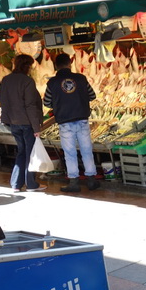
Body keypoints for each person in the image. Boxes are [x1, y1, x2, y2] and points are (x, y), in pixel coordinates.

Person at [44, 53, 100, 193]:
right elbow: (92, 96)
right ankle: (91, 180)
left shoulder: (52, 83)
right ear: (69, 64)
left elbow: (46, 102)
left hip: (65, 122)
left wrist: (60, 102)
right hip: (82, 120)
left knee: (69, 152)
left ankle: (74, 182)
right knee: (86, 150)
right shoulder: (81, 78)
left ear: (56, 66)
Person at [0, 54, 46, 192]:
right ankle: (31, 184)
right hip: (27, 123)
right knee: (30, 153)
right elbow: (30, 105)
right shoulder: (27, 81)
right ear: (27, 67)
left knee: (22, 152)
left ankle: (16, 184)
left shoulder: (6, 80)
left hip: (13, 122)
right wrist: (36, 127)